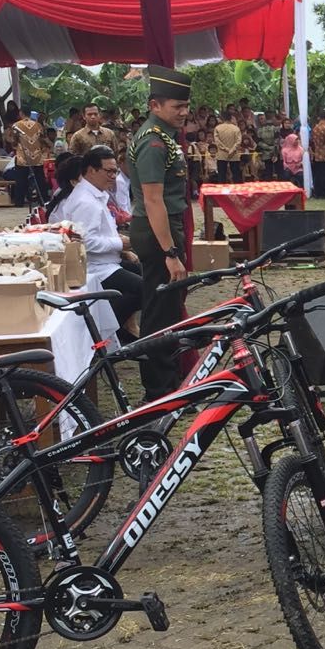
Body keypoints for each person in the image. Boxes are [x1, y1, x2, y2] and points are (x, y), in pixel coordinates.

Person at [128, 66, 191, 401]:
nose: (183, 113)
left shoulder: (162, 136)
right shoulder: (153, 142)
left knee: (165, 306)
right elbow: (153, 200)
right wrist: (171, 253)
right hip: (157, 233)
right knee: (158, 310)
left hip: (162, 228)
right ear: (155, 105)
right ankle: (158, 389)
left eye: (185, 106)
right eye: (176, 107)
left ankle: (167, 382)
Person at [49, 146, 141, 328]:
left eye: (115, 171)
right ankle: (105, 327)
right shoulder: (86, 201)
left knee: (149, 278)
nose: (113, 176)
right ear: (91, 170)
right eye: (109, 171)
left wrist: (121, 248)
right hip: (98, 267)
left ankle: (117, 329)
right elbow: (87, 241)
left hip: (108, 261)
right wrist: (120, 244)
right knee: (145, 290)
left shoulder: (93, 194)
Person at [7, 110, 50, 206]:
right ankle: (43, 200)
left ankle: (19, 202)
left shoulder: (16, 125)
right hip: (37, 156)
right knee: (40, 180)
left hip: (23, 156)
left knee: (21, 180)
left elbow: (13, 140)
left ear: (21, 113)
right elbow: (43, 139)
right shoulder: (38, 125)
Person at [213, 110, 243, 183]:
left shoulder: (218, 128)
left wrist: (225, 149)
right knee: (236, 175)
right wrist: (232, 149)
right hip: (234, 154)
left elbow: (217, 141)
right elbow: (238, 141)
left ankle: (221, 192)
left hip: (222, 154)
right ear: (230, 118)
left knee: (221, 175)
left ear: (222, 118)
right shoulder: (236, 128)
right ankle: (238, 191)